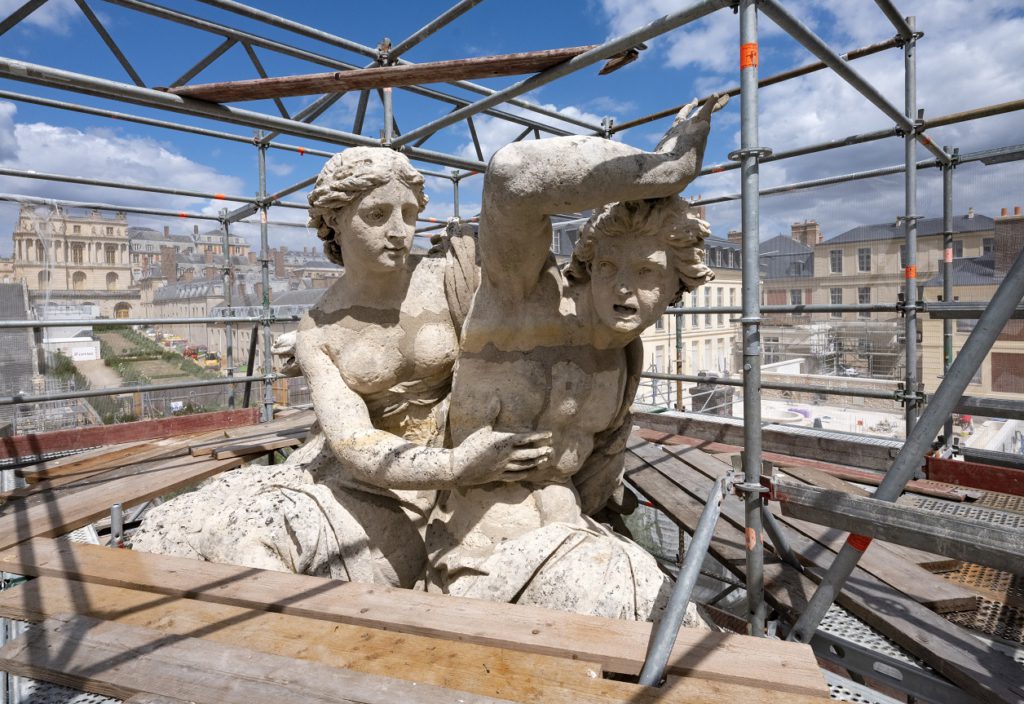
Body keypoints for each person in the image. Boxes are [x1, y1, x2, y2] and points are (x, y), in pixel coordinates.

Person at [132, 147, 550, 588]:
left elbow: (520, 337)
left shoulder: (446, 276)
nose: (399, 232)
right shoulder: (318, 328)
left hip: (455, 471)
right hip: (365, 482)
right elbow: (355, 442)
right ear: (334, 220)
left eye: (409, 214)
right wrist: (454, 466)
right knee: (243, 542)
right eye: (377, 215)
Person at [426, 95, 726, 621]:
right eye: (609, 265)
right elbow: (512, 175)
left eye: (649, 272)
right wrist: (665, 172)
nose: (624, 288)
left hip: (574, 536)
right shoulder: (525, 301)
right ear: (588, 263)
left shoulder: (623, 364)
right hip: (474, 545)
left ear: (680, 284)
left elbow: (593, 480)